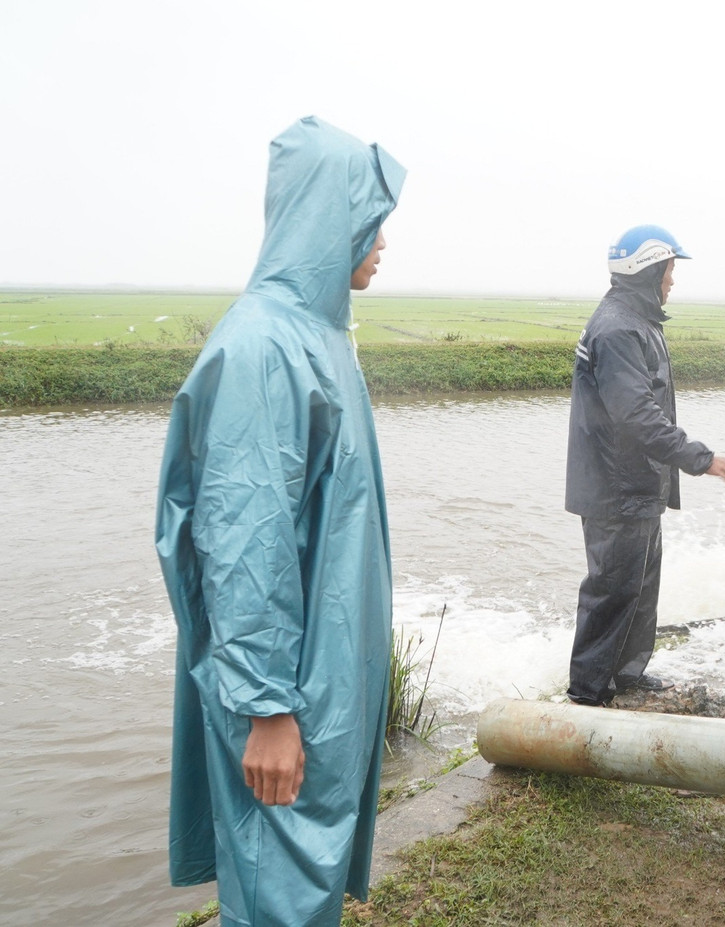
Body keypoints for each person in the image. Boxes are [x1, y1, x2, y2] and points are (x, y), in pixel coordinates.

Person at [155, 116, 405, 927]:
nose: (381, 242)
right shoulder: (265, 348)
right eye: (371, 221)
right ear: (328, 221)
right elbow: (244, 539)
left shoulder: (318, 336)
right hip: (286, 691)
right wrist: (266, 708)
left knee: (298, 883)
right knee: (277, 891)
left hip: (319, 679)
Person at [564, 225, 725, 706]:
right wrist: (700, 458)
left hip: (636, 482)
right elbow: (636, 416)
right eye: (670, 270)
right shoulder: (620, 328)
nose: (673, 280)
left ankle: (625, 674)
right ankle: (587, 695)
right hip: (614, 485)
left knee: (640, 587)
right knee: (611, 591)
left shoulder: (638, 320)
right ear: (648, 270)